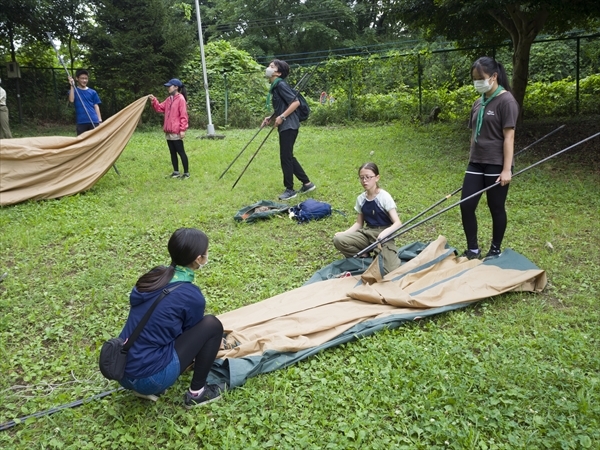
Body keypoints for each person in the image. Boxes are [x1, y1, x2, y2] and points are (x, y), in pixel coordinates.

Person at [118, 228, 226, 408]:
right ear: (199, 259)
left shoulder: (155, 275)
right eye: (206, 252)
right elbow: (191, 334)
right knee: (211, 325)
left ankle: (151, 386)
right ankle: (197, 394)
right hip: (149, 378)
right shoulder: (191, 295)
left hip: (120, 368)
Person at [459, 57, 519, 260]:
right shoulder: (478, 102)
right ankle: (473, 249)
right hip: (476, 162)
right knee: (466, 204)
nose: (477, 82)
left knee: (496, 207)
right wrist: (471, 155)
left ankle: (495, 249)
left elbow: (509, 136)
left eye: (480, 78)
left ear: (494, 76)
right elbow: (473, 134)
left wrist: (506, 169)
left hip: (496, 162)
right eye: (474, 79)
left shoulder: (506, 101)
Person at [333, 162, 402, 275]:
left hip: (383, 235)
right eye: (362, 178)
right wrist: (344, 233)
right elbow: (359, 224)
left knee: (390, 270)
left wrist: (384, 234)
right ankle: (365, 256)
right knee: (339, 240)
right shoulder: (361, 199)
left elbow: (397, 223)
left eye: (368, 177)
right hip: (367, 233)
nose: (365, 181)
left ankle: (379, 254)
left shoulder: (384, 196)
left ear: (377, 178)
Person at [261, 59, 315, 200]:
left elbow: (295, 103)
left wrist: (282, 117)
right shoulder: (276, 86)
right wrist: (272, 117)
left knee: (285, 157)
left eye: (271, 66)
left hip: (289, 125)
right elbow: (283, 106)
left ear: (278, 72)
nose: (268, 68)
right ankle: (307, 184)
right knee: (288, 156)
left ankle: (290, 190)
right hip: (287, 125)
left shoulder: (280, 85)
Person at [149, 79, 190, 179]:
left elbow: (183, 115)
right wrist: (154, 100)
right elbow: (159, 108)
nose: (168, 88)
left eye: (170, 86)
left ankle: (186, 173)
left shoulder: (181, 99)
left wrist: (182, 129)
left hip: (176, 131)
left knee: (181, 152)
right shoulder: (169, 99)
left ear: (176, 87)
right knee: (172, 152)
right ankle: (176, 172)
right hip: (168, 130)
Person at [68, 69, 102, 135]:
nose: (84, 80)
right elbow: (71, 100)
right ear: (77, 78)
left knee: (94, 141)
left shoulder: (93, 92)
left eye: (86, 78)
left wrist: (99, 121)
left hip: (94, 120)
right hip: (81, 121)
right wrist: (72, 86)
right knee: (82, 143)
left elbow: (96, 106)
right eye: (82, 78)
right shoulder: (74, 91)